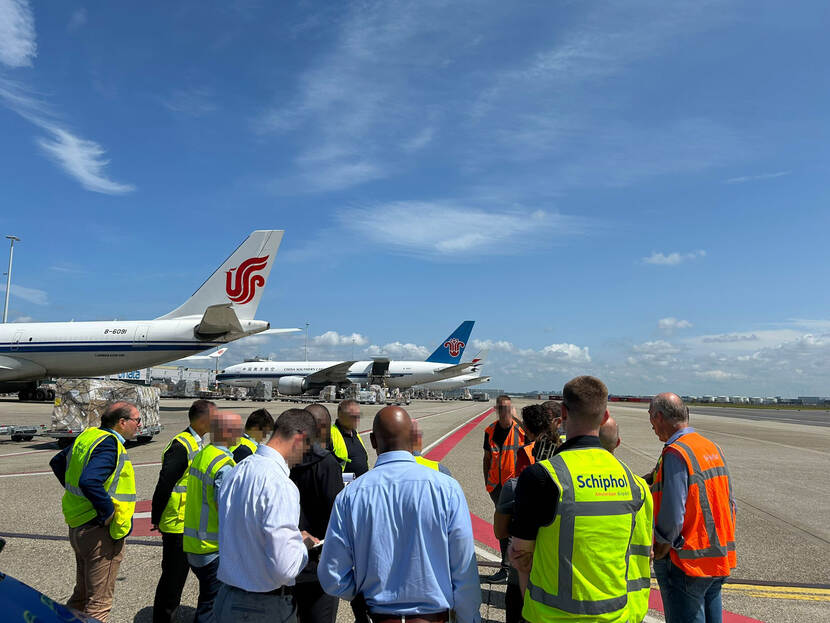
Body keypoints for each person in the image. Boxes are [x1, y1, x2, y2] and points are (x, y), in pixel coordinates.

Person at [509, 376, 653, 623]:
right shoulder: (633, 482)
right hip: (616, 615)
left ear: (563, 413)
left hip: (550, 617)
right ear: (605, 415)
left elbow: (522, 558)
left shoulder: (542, 476)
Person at [318, 406, 481, 623]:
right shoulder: (446, 488)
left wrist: (360, 591)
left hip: (379, 615)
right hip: (433, 617)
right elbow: (464, 569)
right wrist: (468, 618)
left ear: (373, 441)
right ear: (413, 439)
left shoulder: (350, 495)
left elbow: (332, 576)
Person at [215, 409, 319, 623]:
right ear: (299, 438)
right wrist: (303, 545)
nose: (302, 457)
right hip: (263, 607)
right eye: (305, 449)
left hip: (226, 598)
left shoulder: (237, 470)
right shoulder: (280, 484)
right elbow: (285, 568)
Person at [649, 393, 737, 623]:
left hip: (687, 560)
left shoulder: (676, 452)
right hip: (716, 556)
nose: (652, 427)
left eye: (651, 418)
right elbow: (730, 503)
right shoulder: (711, 447)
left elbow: (673, 512)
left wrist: (661, 545)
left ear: (659, 417)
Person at [49, 402, 140, 622]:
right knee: (98, 604)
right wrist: (106, 512)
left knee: (81, 595)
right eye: (137, 420)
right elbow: (90, 481)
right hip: (99, 533)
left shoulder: (89, 436)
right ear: (122, 422)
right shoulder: (109, 445)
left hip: (78, 525)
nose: (139, 425)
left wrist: (79, 496)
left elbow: (57, 462)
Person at [151, 399, 214, 623]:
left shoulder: (197, 443)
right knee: (172, 579)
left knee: (181, 577)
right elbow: (165, 483)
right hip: (176, 522)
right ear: (203, 419)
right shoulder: (181, 445)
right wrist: (155, 516)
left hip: (189, 521)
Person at [492, 403, 555, 623]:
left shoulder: (525, 459)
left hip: (523, 553)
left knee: (517, 605)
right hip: (554, 563)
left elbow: (500, 531)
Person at [183, 411, 242, 623]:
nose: (241, 433)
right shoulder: (223, 465)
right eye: (238, 429)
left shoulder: (204, 454)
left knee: (207, 598)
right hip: (211, 546)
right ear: (227, 432)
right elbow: (224, 508)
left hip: (195, 542)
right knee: (212, 606)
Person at [290, 404, 345, 623]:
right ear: (324, 428)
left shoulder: (287, 460)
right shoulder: (327, 464)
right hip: (318, 563)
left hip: (288, 560)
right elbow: (337, 515)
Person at [482, 394, 526, 583]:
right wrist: (488, 483)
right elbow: (486, 459)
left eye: (508, 408)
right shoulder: (490, 431)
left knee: (516, 527)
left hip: (516, 486)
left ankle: (513, 569)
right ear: (496, 410)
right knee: (502, 528)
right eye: (501, 408)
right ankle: (505, 567)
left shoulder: (521, 430)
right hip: (497, 487)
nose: (504, 411)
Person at [330, 399, 369, 477]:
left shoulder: (355, 434)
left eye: (358, 416)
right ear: (341, 416)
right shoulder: (331, 435)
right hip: (344, 486)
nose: (357, 419)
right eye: (353, 416)